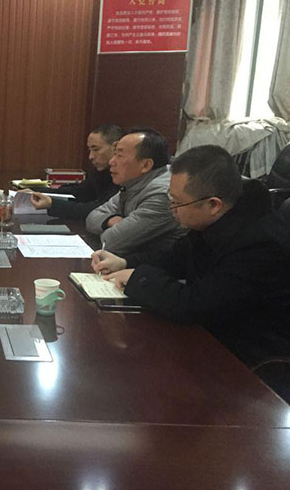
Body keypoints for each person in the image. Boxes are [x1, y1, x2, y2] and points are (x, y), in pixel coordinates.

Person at [92, 145, 290, 372]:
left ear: (213, 204)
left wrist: (138, 277)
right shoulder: (219, 219)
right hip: (210, 338)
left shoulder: (259, 244)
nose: (172, 210)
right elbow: (174, 258)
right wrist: (125, 262)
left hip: (249, 360)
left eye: (177, 203)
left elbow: (195, 305)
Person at [85, 127, 183, 255]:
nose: (112, 161)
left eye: (119, 155)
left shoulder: (162, 194)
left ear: (146, 165)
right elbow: (92, 217)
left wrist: (114, 230)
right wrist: (110, 219)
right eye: (114, 154)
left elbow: (111, 242)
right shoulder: (133, 183)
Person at [27, 123, 123, 219]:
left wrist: (52, 204)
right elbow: (79, 192)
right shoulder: (102, 172)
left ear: (115, 147)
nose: (91, 157)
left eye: (96, 149)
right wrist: (33, 191)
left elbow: (98, 209)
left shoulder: (124, 177)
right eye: (90, 150)